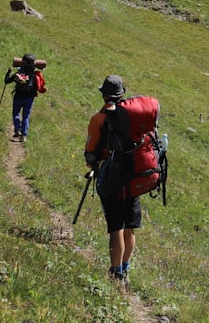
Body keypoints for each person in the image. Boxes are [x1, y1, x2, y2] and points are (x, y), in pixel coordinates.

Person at [84, 74, 140, 283]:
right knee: (129, 226)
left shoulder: (99, 119)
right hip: (134, 176)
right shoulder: (134, 116)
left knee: (116, 225)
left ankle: (115, 272)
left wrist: (94, 164)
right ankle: (125, 269)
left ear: (104, 95)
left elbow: (91, 153)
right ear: (122, 93)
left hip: (112, 179)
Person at [5, 53, 46, 142]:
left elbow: (7, 81)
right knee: (26, 117)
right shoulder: (35, 75)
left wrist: (8, 72)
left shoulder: (18, 74)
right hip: (29, 98)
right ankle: (24, 135)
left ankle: (17, 130)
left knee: (16, 114)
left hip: (18, 97)